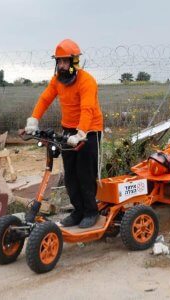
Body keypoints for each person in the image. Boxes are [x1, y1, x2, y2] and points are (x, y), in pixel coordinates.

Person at [25, 39, 103, 228]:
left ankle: (91, 212)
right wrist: (33, 119)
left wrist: (81, 133)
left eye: (64, 61)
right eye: (58, 61)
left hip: (89, 131)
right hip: (68, 131)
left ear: (74, 62)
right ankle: (78, 211)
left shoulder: (87, 81)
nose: (61, 65)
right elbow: (45, 99)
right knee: (70, 175)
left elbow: (87, 109)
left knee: (85, 173)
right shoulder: (57, 81)